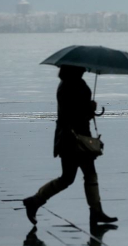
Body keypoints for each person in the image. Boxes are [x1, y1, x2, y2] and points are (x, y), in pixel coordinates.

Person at [23, 65, 117, 225]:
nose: (85, 69)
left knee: (84, 174)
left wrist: (88, 109)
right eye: (81, 68)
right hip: (72, 139)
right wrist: (89, 108)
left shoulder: (72, 83)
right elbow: (73, 114)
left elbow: (76, 112)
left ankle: (95, 211)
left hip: (74, 137)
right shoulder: (69, 86)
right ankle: (35, 201)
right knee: (71, 177)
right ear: (74, 69)